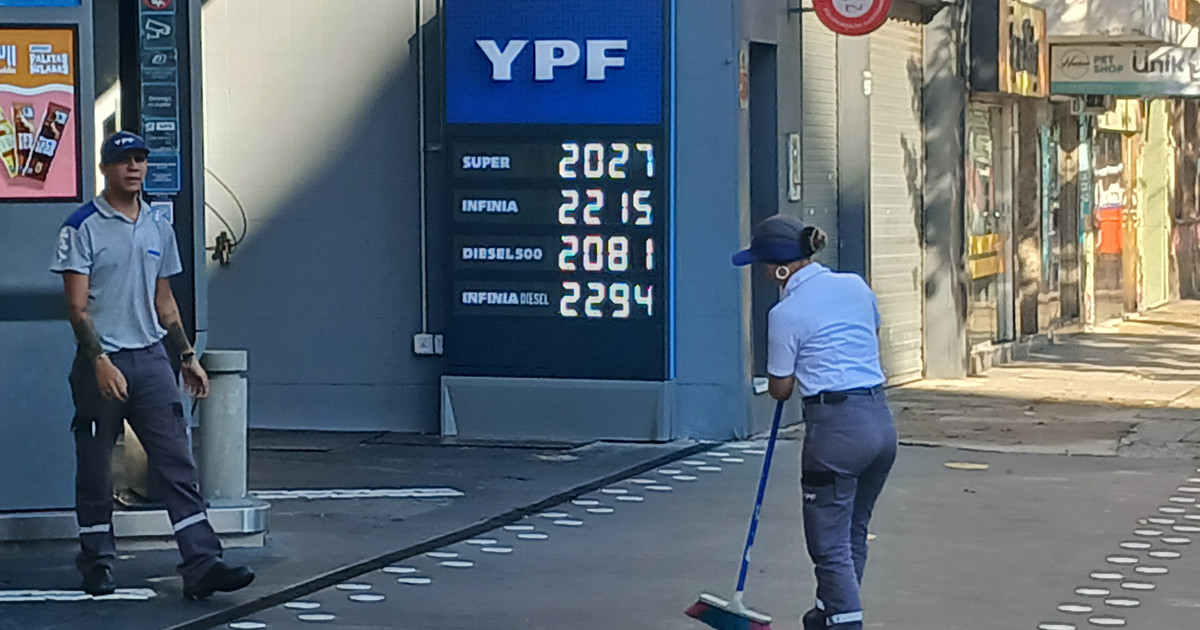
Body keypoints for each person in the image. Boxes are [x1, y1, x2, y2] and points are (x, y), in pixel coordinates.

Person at [50, 131, 254, 600]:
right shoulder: (81, 226)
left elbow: (165, 302)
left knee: (178, 464)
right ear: (105, 168)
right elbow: (77, 308)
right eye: (125, 160)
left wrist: (186, 356)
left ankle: (203, 564)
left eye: (140, 159)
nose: (135, 168)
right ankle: (97, 562)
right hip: (100, 365)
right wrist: (99, 361)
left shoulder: (159, 226)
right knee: (96, 470)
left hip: (151, 361)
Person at [732, 215, 897, 630]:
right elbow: (872, 331)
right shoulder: (855, 285)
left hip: (836, 429)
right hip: (880, 420)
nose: (763, 274)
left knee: (828, 543)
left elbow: (780, 388)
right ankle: (829, 613)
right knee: (852, 530)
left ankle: (844, 623)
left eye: (763, 266)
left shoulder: (785, 312)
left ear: (780, 269)